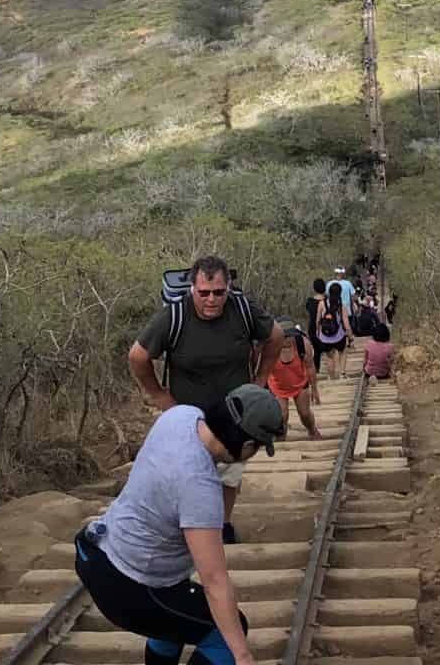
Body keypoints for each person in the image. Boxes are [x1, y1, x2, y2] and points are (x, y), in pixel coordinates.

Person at [76, 383, 287, 665]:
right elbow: (214, 580)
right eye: (259, 447)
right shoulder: (200, 486)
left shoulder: (181, 416)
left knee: (177, 613)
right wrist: (242, 654)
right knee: (226, 633)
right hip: (129, 587)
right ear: (247, 445)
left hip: (96, 552)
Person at [130, 255, 282, 545]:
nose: (211, 300)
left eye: (218, 293)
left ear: (228, 288)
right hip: (188, 415)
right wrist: (160, 397)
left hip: (235, 414)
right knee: (188, 473)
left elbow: (274, 336)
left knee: (229, 473)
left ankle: (222, 525)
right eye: (204, 293)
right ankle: (185, 528)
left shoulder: (242, 309)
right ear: (192, 289)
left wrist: (260, 381)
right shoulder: (174, 316)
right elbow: (138, 356)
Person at [266, 319, 321, 440]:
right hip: (277, 386)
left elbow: (310, 366)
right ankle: (281, 439)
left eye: (291, 336)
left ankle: (312, 430)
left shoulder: (303, 344)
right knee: (282, 416)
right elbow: (261, 370)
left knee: (304, 413)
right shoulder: (269, 348)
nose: (289, 339)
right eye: (285, 337)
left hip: (300, 383)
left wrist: (315, 390)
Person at [312, 273, 352, 379]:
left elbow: (317, 320)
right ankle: (342, 373)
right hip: (339, 336)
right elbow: (346, 325)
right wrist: (350, 337)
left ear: (329, 292)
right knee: (342, 352)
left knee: (329, 356)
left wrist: (318, 332)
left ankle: (331, 377)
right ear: (340, 293)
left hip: (325, 336)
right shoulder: (341, 306)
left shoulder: (322, 304)